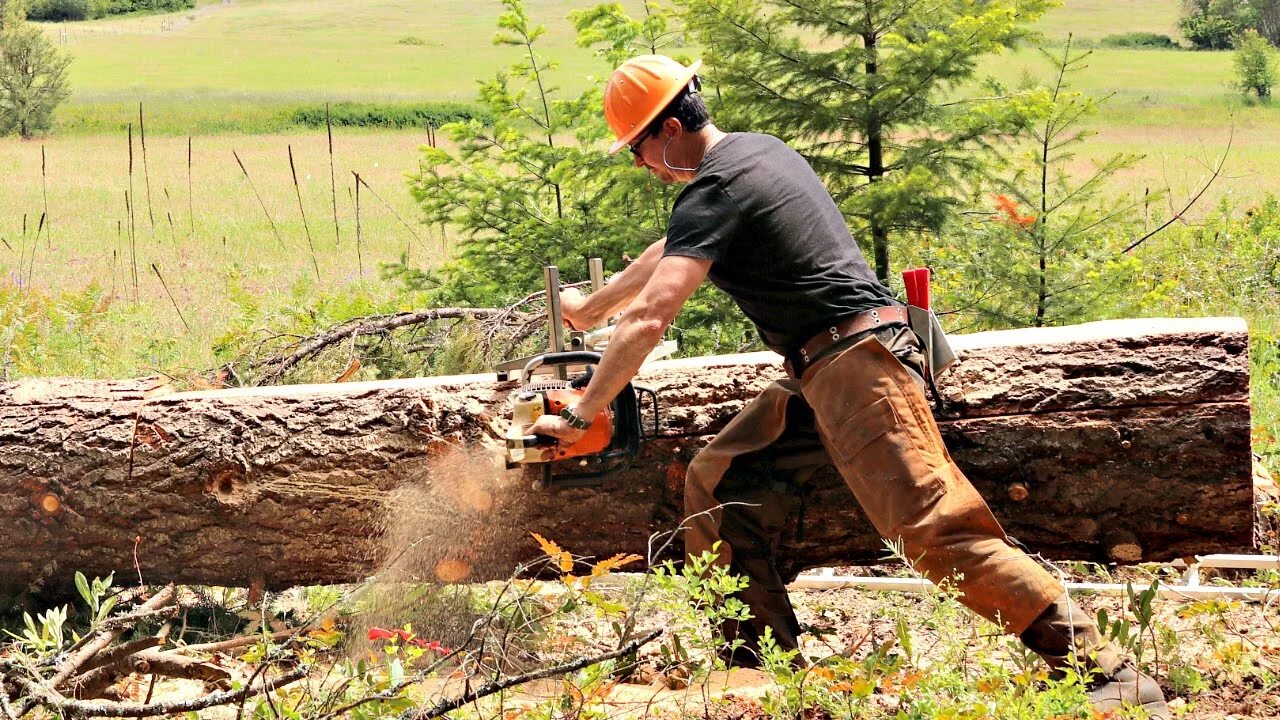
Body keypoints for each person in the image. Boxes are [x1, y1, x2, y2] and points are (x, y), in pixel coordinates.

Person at [529, 54, 1168, 718]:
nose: (641, 166)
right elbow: (670, 249)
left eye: (637, 149)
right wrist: (591, 307)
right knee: (719, 482)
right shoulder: (754, 157)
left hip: (859, 367)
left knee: (934, 530)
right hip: (821, 373)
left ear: (665, 130)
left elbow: (655, 315)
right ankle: (755, 674)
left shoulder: (717, 186)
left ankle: (1105, 668)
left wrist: (584, 409)